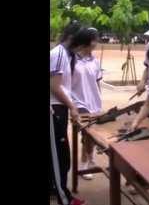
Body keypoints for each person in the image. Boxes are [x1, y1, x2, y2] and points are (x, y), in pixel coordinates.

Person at [50, 21, 86, 205]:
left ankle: (55, 189)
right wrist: (72, 107)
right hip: (54, 109)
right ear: (71, 39)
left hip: (60, 107)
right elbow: (55, 87)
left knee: (58, 155)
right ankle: (65, 199)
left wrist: (73, 106)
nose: (81, 48)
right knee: (59, 158)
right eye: (80, 43)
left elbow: (65, 86)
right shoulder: (58, 54)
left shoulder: (67, 54)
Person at [70, 27, 103, 180]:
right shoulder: (72, 60)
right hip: (79, 102)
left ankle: (90, 158)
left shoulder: (95, 61)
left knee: (92, 135)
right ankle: (84, 164)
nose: (97, 43)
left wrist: (99, 99)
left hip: (94, 103)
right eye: (95, 40)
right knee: (87, 133)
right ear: (88, 41)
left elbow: (97, 82)